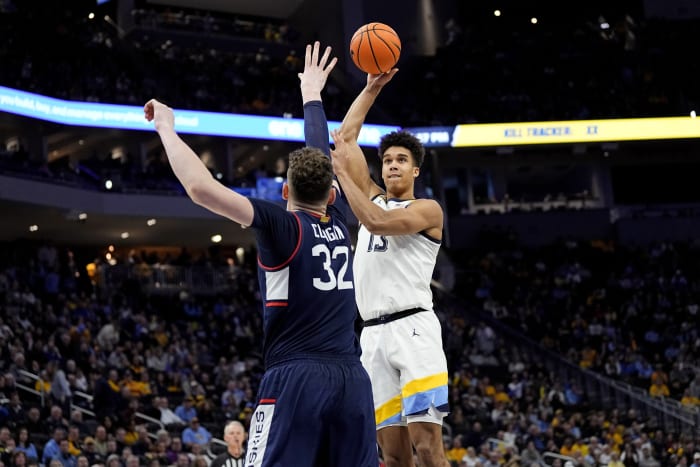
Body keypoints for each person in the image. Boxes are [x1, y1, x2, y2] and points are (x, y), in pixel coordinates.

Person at [143, 41, 377, 467]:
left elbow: (200, 189)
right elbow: (321, 156)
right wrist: (312, 95)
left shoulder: (282, 225)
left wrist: (166, 129)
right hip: (353, 379)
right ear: (332, 193)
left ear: (285, 192)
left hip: (296, 377)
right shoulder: (342, 219)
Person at [330, 68, 450, 467]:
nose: (393, 165)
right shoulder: (373, 198)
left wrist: (344, 177)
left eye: (402, 160)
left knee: (428, 448)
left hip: (413, 330)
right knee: (393, 456)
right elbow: (344, 140)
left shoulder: (426, 209)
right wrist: (370, 89)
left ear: (416, 170)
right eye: (387, 160)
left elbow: (375, 223)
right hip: (372, 336)